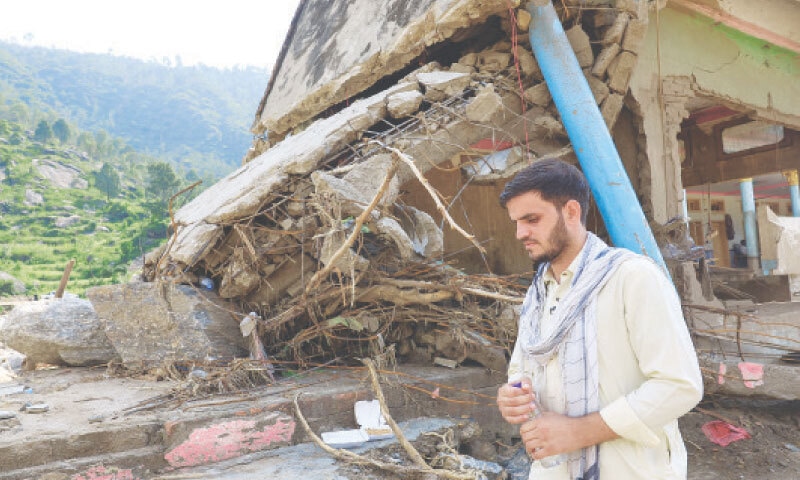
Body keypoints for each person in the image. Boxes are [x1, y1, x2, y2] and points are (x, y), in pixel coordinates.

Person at [495, 159, 703, 480]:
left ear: (571, 212)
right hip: (552, 469)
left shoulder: (632, 277)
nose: (521, 233)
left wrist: (581, 432)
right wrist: (512, 394)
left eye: (532, 219)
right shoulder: (538, 292)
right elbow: (521, 369)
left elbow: (679, 385)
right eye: (517, 222)